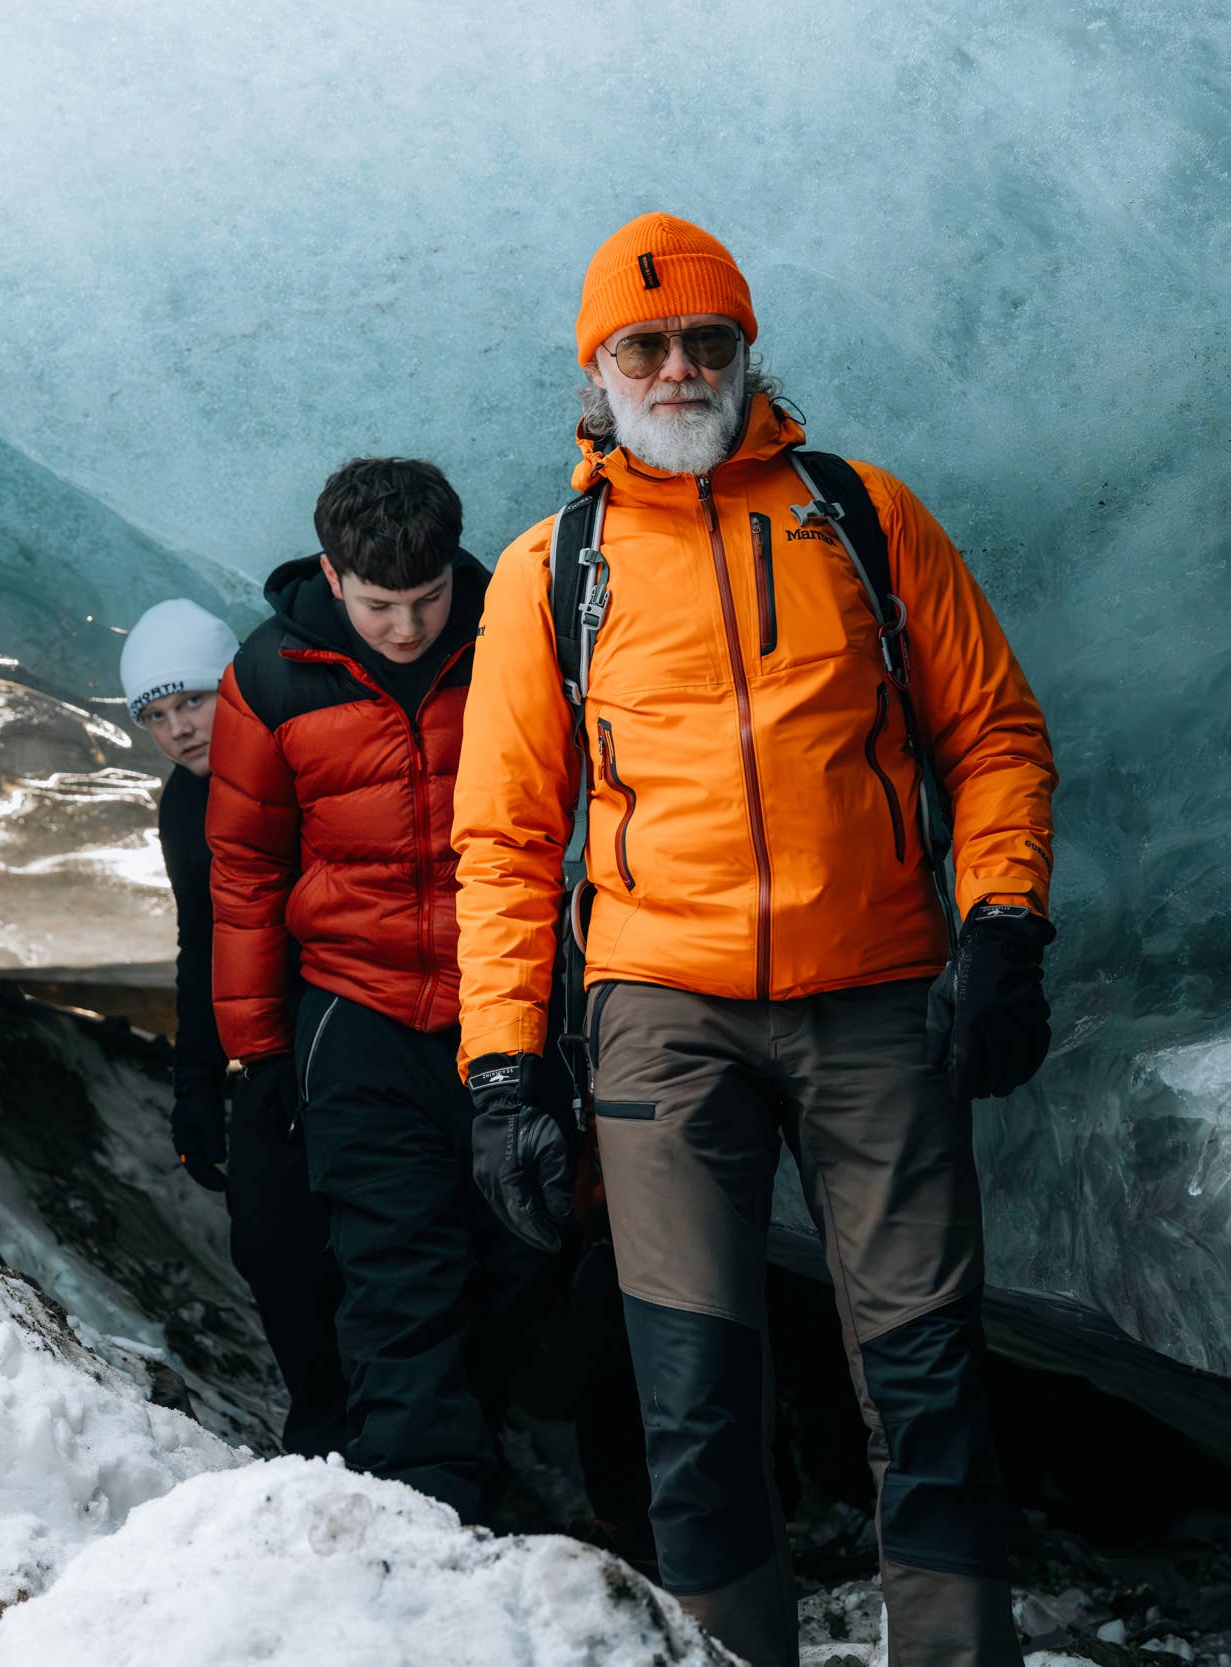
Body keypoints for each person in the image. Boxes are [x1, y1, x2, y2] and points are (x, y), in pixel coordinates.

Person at [452, 213, 1058, 1667]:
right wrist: (502, 1067)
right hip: (662, 1010)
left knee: (927, 1378)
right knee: (696, 1397)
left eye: (706, 339)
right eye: (643, 346)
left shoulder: (861, 513)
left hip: (877, 994)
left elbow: (993, 734)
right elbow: (507, 836)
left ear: (747, 349)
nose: (678, 368)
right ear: (596, 371)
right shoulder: (553, 569)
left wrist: (1003, 918)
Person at [207, 459, 550, 1524]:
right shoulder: (270, 676)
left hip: (510, 999)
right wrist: (258, 1050)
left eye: (427, 599)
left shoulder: (516, 637)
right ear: (331, 575)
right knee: (397, 1267)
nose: (405, 628)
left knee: (520, 1256)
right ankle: (427, 1510)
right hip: (357, 1013)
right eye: (377, 605)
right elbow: (244, 870)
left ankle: (472, 1466)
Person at [121, 597, 350, 1460]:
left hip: (352, 1028)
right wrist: (195, 1086)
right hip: (266, 1054)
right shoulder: (184, 806)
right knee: (268, 1242)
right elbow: (203, 944)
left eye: (192, 701)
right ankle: (325, 1435)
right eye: (155, 715)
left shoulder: (303, 757)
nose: (178, 728)